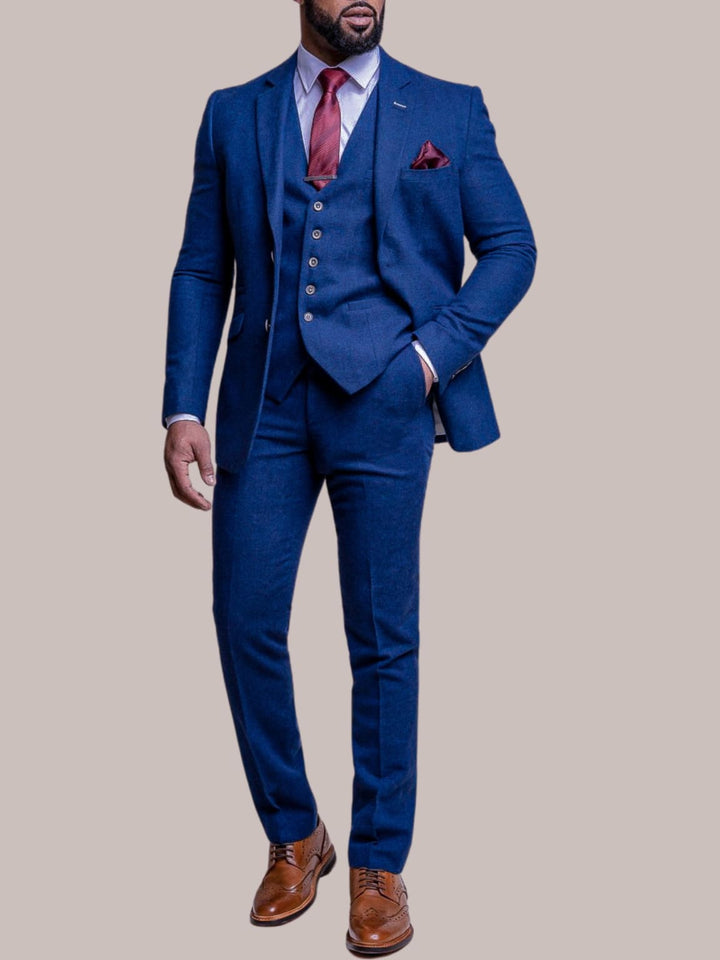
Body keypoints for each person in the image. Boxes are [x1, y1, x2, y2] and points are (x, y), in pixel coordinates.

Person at [162, 0, 536, 953]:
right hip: (265, 404)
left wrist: (429, 360)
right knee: (243, 619)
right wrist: (182, 407)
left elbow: (513, 247)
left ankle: (379, 861)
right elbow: (202, 269)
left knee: (382, 638)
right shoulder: (233, 112)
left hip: (386, 401)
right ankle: (296, 831)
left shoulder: (448, 109)